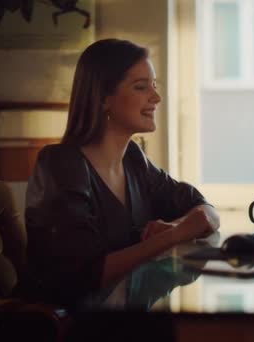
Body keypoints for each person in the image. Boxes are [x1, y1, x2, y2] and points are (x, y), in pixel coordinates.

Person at [23, 39, 220, 306]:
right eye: (141, 87)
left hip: (120, 318)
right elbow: (86, 275)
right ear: (103, 98)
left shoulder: (134, 161)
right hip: (61, 326)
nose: (156, 98)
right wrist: (175, 234)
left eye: (154, 86)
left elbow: (204, 209)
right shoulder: (60, 165)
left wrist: (177, 225)